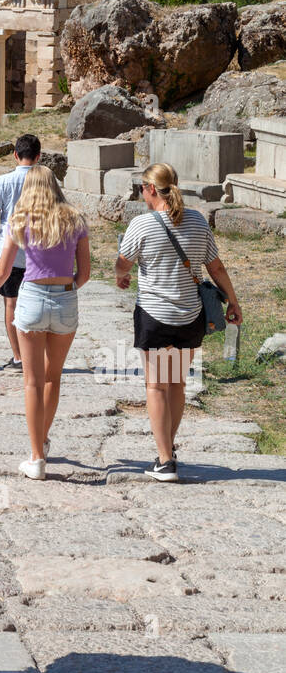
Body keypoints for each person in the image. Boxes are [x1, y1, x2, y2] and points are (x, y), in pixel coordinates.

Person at [115, 163, 242, 482]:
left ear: (150, 189)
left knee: (156, 386)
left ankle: (164, 459)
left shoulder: (141, 225)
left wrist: (122, 276)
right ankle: (167, 449)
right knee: (177, 384)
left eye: (141, 187)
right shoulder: (198, 220)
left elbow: (122, 264)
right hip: (189, 316)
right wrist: (234, 303)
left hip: (155, 315)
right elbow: (216, 268)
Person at [0, 165, 90, 480]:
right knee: (52, 378)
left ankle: (36, 457)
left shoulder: (20, 220)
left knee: (31, 380)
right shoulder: (75, 220)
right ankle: (42, 438)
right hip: (66, 298)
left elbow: (2, 271)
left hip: (31, 298)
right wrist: (64, 289)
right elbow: (85, 274)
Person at [0, 134, 41, 371]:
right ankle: (35, 354)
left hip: (9, 250)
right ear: (38, 156)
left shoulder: (4, 181)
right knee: (37, 303)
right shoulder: (47, 181)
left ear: (15, 155)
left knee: (11, 304)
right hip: (40, 252)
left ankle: (18, 356)